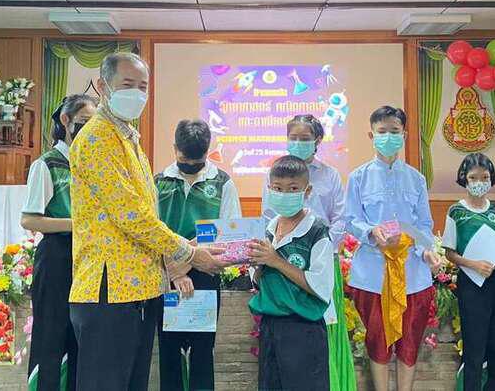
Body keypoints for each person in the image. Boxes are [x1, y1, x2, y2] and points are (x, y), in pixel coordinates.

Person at [68, 52, 225, 391]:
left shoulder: (129, 139)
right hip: (108, 290)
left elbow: (146, 216)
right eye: (128, 84)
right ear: (103, 86)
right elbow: (132, 216)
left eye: (143, 87)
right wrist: (190, 253)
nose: (137, 94)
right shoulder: (98, 138)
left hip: (138, 288)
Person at [344, 106, 440, 391]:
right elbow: (350, 219)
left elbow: (424, 224)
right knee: (378, 340)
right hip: (373, 274)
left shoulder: (416, 179)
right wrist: (371, 232)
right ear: (371, 135)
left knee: (410, 340)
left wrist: (427, 251)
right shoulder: (358, 177)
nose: (388, 137)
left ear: (404, 135)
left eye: (394, 131)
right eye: (382, 132)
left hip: (412, 275)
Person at [261, 114, 354, 391]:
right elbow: (267, 216)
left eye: (304, 138)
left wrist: (320, 247)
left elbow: (341, 218)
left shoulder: (330, 175)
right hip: (278, 262)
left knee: (319, 340)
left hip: (318, 260)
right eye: (293, 138)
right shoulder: (275, 172)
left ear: (317, 140)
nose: (298, 143)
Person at [154, 119, 242, 391]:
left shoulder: (223, 183)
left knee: (203, 353)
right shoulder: (159, 182)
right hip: (165, 276)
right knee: (169, 353)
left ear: (207, 152)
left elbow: (230, 234)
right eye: (184, 159)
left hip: (205, 275)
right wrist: (175, 271)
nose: (190, 165)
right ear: (174, 149)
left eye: (197, 160)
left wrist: (184, 262)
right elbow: (151, 232)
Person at [21, 94, 97, 391]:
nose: (89, 129)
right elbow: (30, 220)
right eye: (84, 122)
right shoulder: (47, 164)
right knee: (51, 336)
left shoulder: (92, 164)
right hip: (56, 256)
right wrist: (77, 224)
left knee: (81, 337)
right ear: (66, 121)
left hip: (87, 257)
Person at [247, 155, 334, 391]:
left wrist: (276, 261)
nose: (284, 194)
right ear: (269, 189)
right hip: (270, 326)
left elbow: (321, 286)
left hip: (303, 328)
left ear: (307, 191)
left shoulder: (317, 232)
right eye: (278, 188)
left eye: (293, 188)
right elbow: (258, 279)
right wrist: (258, 265)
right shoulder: (268, 229)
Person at [442, 153, 495, 391]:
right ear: (464, 178)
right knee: (474, 345)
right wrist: (474, 264)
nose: (479, 182)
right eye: (473, 177)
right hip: (471, 282)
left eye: (484, 177)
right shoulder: (456, 211)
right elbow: (450, 253)